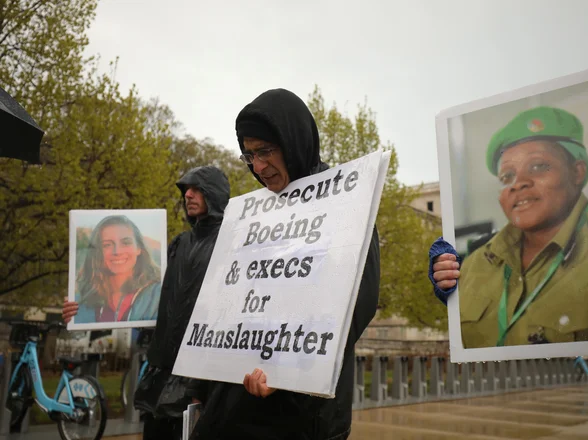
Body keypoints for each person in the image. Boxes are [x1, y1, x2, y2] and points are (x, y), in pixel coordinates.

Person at [186, 88, 381, 440]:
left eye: (266, 151)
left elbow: (357, 303)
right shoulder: (252, 215)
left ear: (293, 142)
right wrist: (202, 377)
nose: (258, 167)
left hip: (305, 411)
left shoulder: (346, 200)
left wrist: (286, 370)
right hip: (238, 395)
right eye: (249, 155)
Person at [440, 106, 588, 348]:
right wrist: (445, 293)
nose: (518, 184)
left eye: (538, 166)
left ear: (577, 172)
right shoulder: (475, 262)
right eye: (507, 176)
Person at [62, 165, 231, 440]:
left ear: (215, 193)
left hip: (205, 378)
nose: (188, 194)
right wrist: (78, 310)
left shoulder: (232, 244)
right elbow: (145, 297)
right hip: (162, 374)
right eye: (185, 189)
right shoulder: (179, 244)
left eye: (196, 188)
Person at [72, 215, 161, 323]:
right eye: (107, 245)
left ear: (139, 248)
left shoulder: (160, 293)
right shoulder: (80, 301)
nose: (117, 251)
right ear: (97, 252)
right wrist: (71, 320)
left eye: (126, 243)